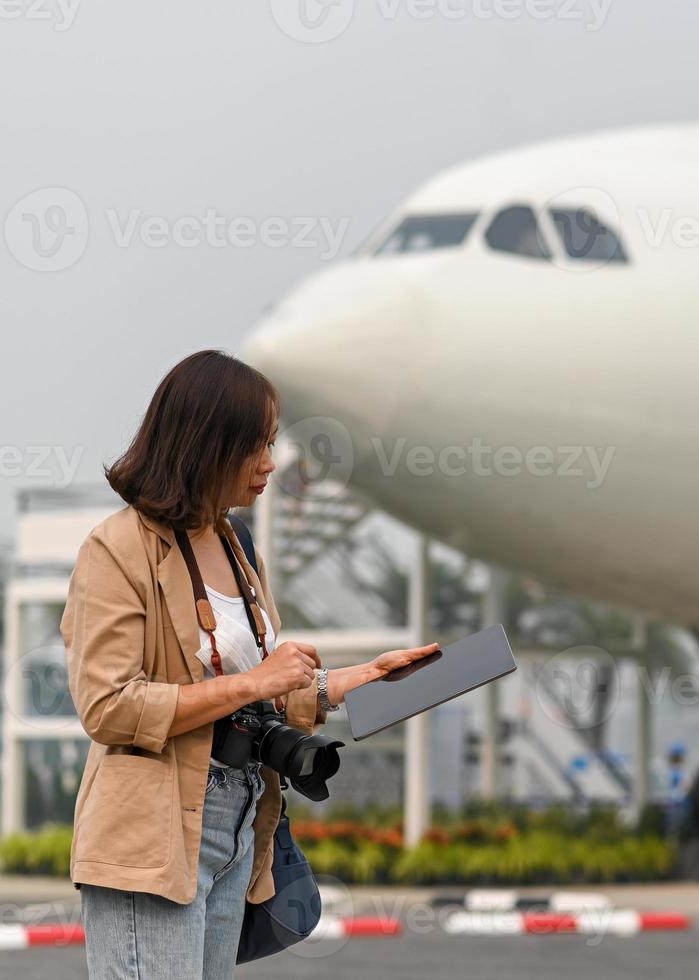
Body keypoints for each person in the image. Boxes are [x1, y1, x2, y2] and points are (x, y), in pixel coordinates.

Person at [64, 350, 439, 980]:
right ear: (206, 445)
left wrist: (355, 680)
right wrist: (255, 681)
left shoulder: (239, 545)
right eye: (255, 445)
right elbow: (109, 706)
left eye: (271, 443)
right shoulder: (117, 547)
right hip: (152, 829)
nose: (270, 462)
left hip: (241, 816)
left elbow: (250, 697)